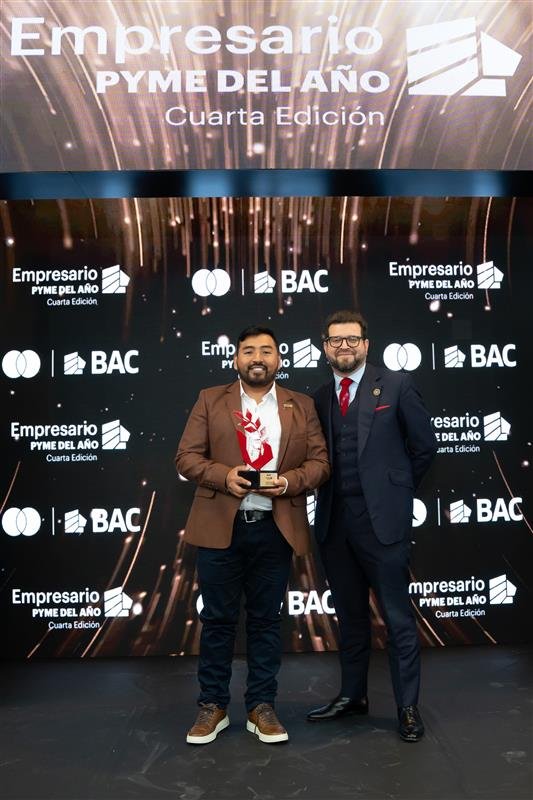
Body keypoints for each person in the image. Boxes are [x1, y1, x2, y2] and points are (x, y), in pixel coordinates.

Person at [176, 325, 330, 745]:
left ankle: (262, 707)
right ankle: (213, 706)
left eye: (266, 350)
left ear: (279, 359)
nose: (257, 357)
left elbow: (320, 463)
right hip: (220, 529)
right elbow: (186, 457)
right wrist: (224, 476)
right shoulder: (210, 399)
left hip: (274, 530)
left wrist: (289, 482)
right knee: (218, 621)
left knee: (266, 621)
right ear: (236, 359)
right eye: (248, 351)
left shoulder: (301, 404)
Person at [307, 310, 437, 742]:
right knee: (350, 618)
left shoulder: (396, 385)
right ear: (325, 347)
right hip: (334, 525)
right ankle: (353, 695)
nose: (344, 346)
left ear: (366, 344)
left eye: (352, 339)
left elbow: (424, 448)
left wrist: (395, 492)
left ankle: (407, 708)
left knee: (398, 619)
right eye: (335, 340)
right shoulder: (319, 396)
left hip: (384, 524)